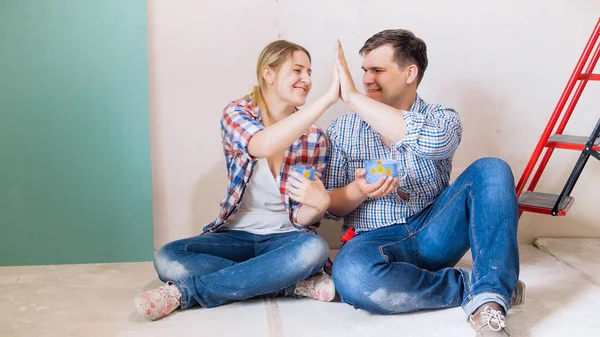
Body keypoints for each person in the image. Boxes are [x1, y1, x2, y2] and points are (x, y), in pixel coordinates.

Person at [323, 30, 526, 336]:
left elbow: (437, 142)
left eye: (377, 70)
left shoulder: (441, 117)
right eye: (364, 70)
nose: (365, 79)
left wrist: (351, 98)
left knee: (493, 169)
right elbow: (330, 205)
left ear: (410, 73)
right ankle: (481, 285)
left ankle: (489, 306)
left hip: (434, 231)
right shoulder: (343, 128)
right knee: (352, 276)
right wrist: (359, 191)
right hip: (375, 241)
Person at [134, 40, 340, 321]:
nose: (307, 79)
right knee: (168, 257)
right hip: (235, 235)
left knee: (314, 250)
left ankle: (186, 293)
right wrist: (326, 99)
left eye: (310, 72)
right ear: (269, 73)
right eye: (298, 70)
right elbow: (262, 144)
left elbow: (302, 218)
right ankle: (285, 282)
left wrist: (319, 205)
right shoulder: (238, 113)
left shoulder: (315, 138)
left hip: (285, 238)